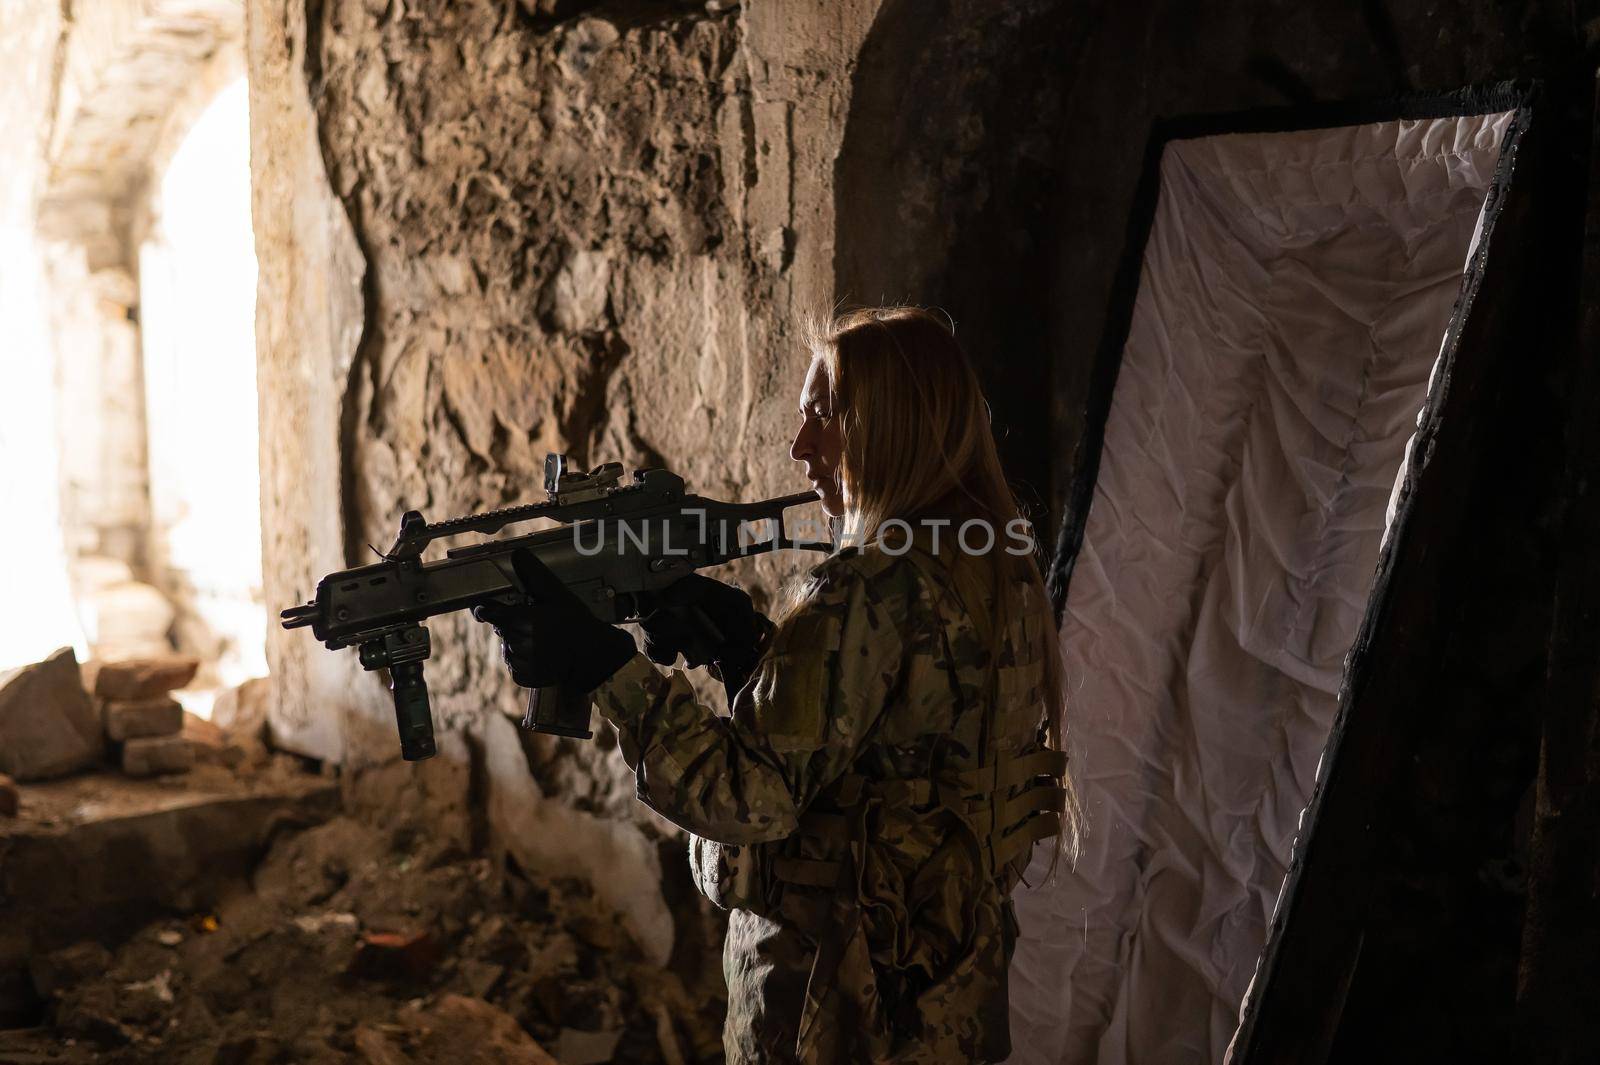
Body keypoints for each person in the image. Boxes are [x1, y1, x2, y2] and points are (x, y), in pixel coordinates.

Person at [475, 306, 1080, 1064]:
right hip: (943, 1001)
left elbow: (743, 798)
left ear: (890, 421)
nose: (801, 448)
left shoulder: (872, 587)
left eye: (824, 415)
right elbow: (894, 758)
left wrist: (605, 665)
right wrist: (748, 654)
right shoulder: (1000, 570)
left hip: (836, 1013)